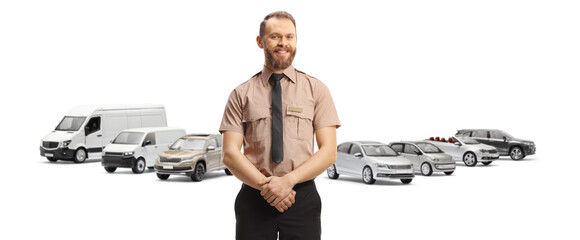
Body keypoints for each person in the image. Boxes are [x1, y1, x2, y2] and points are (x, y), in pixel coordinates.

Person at [219, 11, 341, 240]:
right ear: (260, 41)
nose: (283, 43)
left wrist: (288, 182)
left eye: (290, 37)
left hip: (302, 197)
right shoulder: (240, 94)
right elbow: (229, 154)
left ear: (296, 40)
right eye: (275, 36)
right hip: (254, 197)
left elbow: (329, 152)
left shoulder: (317, 90)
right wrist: (267, 187)